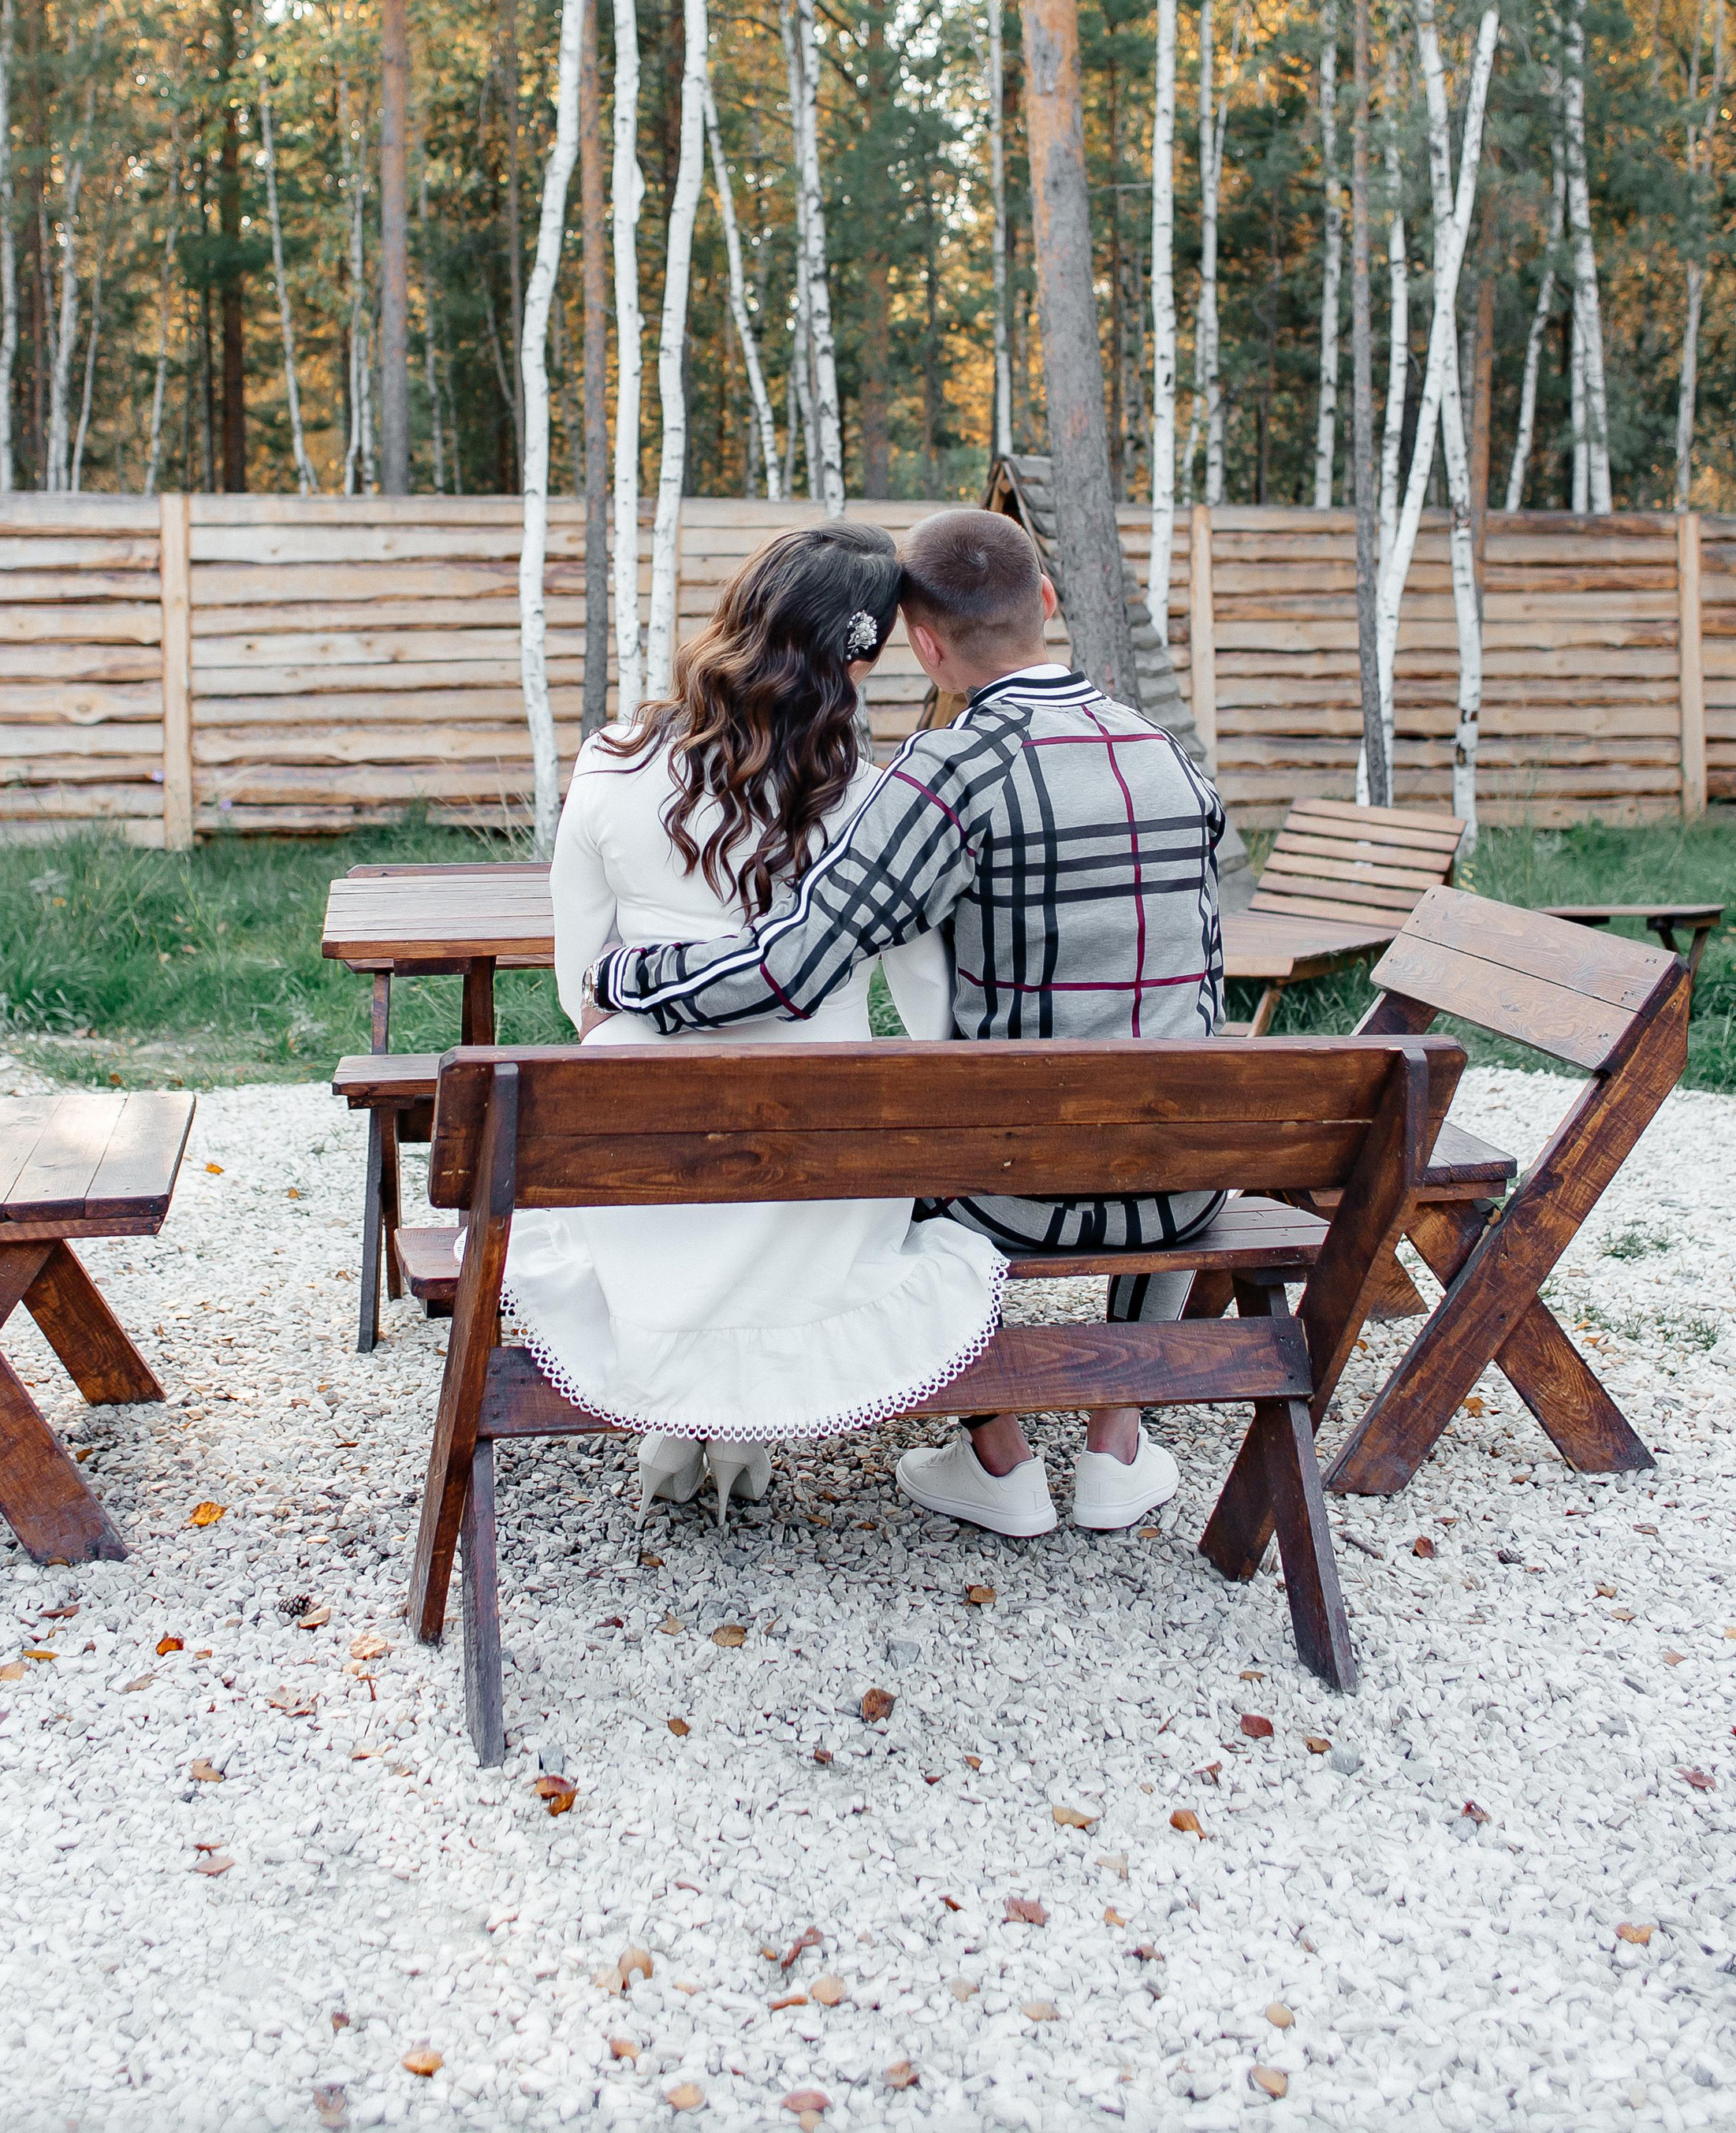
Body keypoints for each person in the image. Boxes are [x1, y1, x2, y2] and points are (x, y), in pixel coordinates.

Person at [588, 507, 1225, 1539]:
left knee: (887, 1159)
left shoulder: (949, 773)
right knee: (1167, 1085)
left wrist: (634, 974)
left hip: (1017, 1198)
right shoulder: (1170, 757)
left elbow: (790, 969)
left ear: (924, 646)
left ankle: (997, 1453)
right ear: (1046, 600)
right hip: (1186, 1191)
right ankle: (1116, 1442)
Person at [501, 521, 1005, 1525]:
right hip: (821, 1163)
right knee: (820, 1161)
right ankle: (741, 1425)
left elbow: (579, 988)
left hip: (643, 1158)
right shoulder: (876, 800)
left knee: (652, 1124)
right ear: (856, 658)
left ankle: (675, 1405)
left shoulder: (607, 763)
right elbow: (930, 1009)